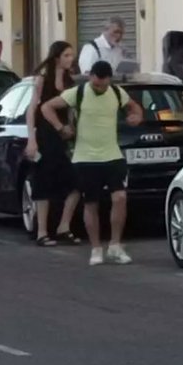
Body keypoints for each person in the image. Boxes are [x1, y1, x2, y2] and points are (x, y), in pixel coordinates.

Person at [41, 60, 143, 266]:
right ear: (90, 77)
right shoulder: (77, 93)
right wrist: (60, 128)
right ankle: (96, 248)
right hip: (85, 157)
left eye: (102, 85)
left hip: (112, 154)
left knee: (120, 197)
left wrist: (137, 116)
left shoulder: (116, 92)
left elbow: (134, 107)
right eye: (95, 84)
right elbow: (47, 107)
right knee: (91, 203)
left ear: (108, 80)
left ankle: (115, 245)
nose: (99, 88)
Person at [26, 41, 82, 246]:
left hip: (64, 137)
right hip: (46, 135)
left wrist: (72, 128)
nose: (71, 59)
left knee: (75, 182)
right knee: (44, 182)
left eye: (71, 55)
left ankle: (63, 226)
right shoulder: (43, 79)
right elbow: (32, 109)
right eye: (67, 55)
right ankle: (41, 231)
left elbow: (71, 109)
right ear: (57, 57)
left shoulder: (69, 81)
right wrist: (31, 139)